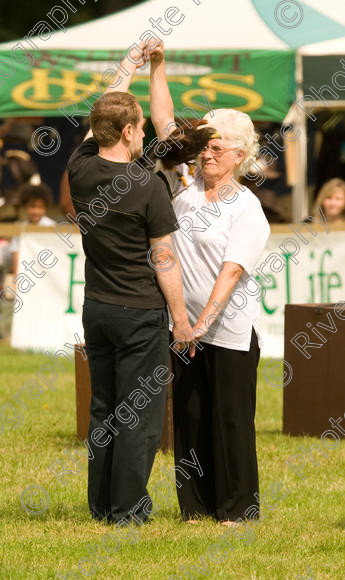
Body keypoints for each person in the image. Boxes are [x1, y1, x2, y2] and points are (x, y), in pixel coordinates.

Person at [67, 45, 193, 525]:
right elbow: (164, 260)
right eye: (139, 127)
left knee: (103, 409)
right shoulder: (147, 187)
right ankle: (127, 511)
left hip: (97, 307)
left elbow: (103, 111)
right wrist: (180, 321)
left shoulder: (80, 169)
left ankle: (100, 504)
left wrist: (128, 68)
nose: (145, 134)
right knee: (137, 417)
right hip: (140, 312)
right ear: (127, 132)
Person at [149, 42, 270, 525]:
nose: (206, 156)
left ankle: (238, 509)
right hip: (185, 328)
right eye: (204, 148)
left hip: (228, 330)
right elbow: (164, 124)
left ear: (239, 156)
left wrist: (202, 322)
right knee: (192, 416)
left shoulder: (247, 207)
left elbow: (231, 271)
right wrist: (157, 66)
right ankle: (195, 507)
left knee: (231, 419)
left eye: (217, 149)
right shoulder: (185, 188)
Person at [10, 183, 56, 276]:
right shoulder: (19, 228)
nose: (36, 211)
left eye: (40, 207)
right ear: (25, 207)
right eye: (32, 206)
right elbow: (16, 254)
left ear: (46, 208)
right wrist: (16, 277)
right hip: (27, 273)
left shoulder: (52, 226)